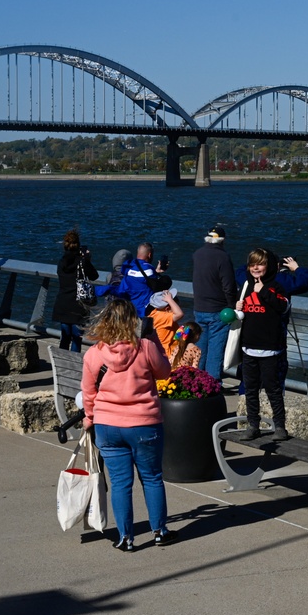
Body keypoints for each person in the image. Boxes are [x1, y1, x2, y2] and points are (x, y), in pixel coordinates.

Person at [80, 298, 176, 553]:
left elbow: (89, 393)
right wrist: (155, 339)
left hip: (107, 425)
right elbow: (165, 372)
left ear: (105, 320)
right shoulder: (145, 346)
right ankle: (160, 531)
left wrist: (89, 418)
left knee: (121, 483)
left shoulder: (94, 353)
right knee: (152, 478)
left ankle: (126, 537)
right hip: (144, 423)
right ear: (134, 321)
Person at [234, 253, 308, 392]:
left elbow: (239, 272)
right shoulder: (282, 280)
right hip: (274, 339)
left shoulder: (247, 279)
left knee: (249, 381)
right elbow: (307, 281)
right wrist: (296, 268)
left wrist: (255, 261)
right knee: (275, 379)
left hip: (250, 338)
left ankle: (247, 407)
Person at [235, 248, 291, 441]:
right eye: (252, 264)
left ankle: (280, 426)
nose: (255, 267)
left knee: (272, 389)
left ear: (269, 266)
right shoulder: (245, 286)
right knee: (250, 388)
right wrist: (237, 307)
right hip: (248, 346)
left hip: (270, 348)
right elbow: (241, 313)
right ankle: (253, 424)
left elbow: (283, 307)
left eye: (260, 263)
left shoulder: (276, 286)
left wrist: (264, 292)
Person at [191, 225, 237, 381]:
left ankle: (196, 382)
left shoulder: (197, 254)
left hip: (199, 308)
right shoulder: (222, 257)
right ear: (223, 241)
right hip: (218, 310)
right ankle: (212, 385)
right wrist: (232, 305)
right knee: (215, 351)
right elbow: (228, 286)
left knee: (199, 349)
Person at [51, 229, 98, 352]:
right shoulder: (81, 262)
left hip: (63, 303)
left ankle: (62, 363)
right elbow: (94, 276)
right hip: (78, 304)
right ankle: (74, 367)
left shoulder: (61, 262)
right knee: (76, 339)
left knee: (65, 338)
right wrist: (87, 259)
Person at [116, 242, 169, 318]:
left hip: (128, 311)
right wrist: (157, 273)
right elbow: (156, 286)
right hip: (142, 312)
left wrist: (156, 271)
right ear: (150, 255)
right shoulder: (149, 271)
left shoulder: (129, 268)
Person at [147, 288, 185, 357]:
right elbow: (179, 314)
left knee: (186, 329)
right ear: (167, 309)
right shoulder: (163, 317)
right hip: (169, 353)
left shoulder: (155, 312)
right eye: (174, 304)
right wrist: (170, 300)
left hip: (164, 349)